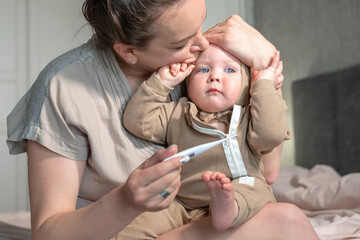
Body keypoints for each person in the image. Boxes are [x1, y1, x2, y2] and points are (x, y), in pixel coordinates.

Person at [6, 0, 319, 239]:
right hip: (127, 232)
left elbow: (267, 169)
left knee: (286, 220)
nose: (203, 45)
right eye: (181, 42)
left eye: (201, 25)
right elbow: (48, 232)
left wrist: (264, 60)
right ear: (129, 52)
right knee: (285, 223)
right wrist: (127, 201)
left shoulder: (208, 67)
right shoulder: (63, 87)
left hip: (200, 221)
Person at [123, 44, 290, 235]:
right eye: (203, 69)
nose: (215, 77)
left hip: (243, 187)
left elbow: (271, 135)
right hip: (182, 202)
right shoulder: (177, 114)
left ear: (246, 83)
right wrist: (161, 82)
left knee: (254, 187)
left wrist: (264, 86)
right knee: (137, 223)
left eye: (229, 70)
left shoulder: (250, 116)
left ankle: (228, 208)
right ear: (187, 81)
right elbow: (137, 121)